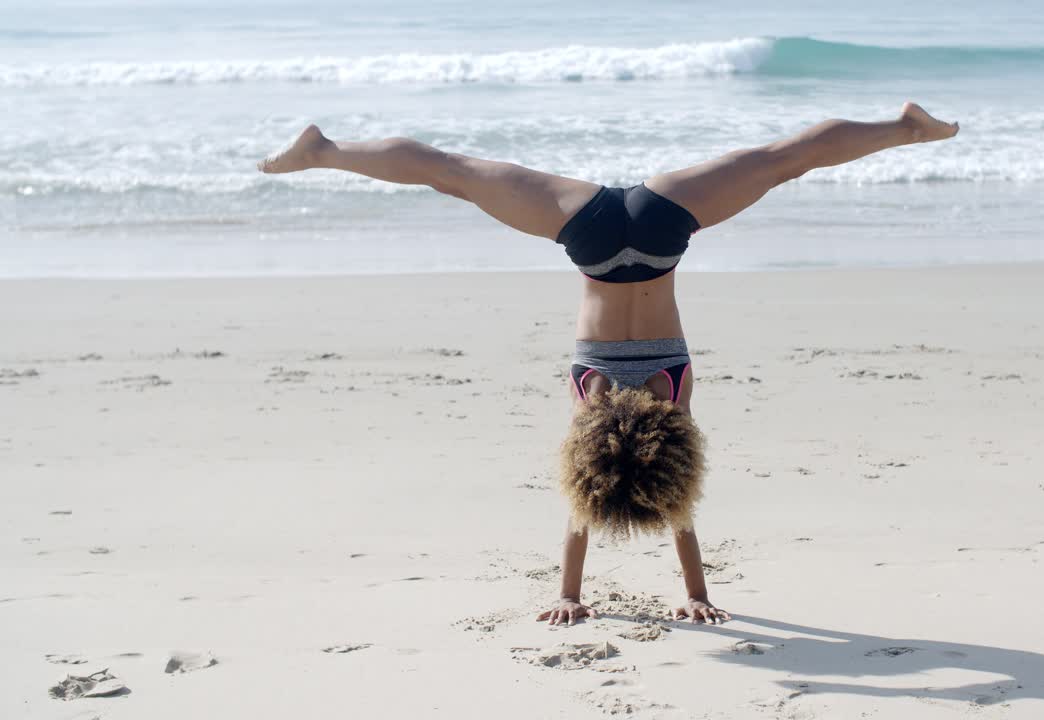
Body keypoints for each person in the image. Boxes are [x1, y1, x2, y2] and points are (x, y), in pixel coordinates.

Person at [258, 102, 959, 625]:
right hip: (591, 235)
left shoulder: (670, 395)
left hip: (659, 229)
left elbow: (676, 506)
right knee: (455, 176)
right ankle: (325, 151)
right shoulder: (589, 399)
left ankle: (905, 129)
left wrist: (688, 593)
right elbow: (583, 506)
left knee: (781, 160)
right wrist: (586, 592)